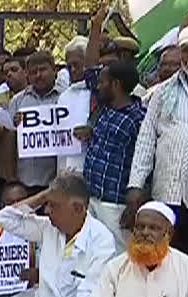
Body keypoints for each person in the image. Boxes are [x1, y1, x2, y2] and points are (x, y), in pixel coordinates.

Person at [127, 20, 188, 267]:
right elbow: (146, 139)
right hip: (167, 195)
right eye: (187, 50)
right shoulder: (163, 93)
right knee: (164, 264)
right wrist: (135, 185)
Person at [75, 61, 146, 254]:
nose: (97, 86)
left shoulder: (139, 119)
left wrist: (135, 200)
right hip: (92, 197)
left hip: (116, 203)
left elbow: (145, 161)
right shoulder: (105, 109)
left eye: (102, 82)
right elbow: (89, 70)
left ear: (115, 84)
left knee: (120, 255)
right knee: (93, 252)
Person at [5, 51, 63, 191]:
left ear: (54, 71)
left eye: (43, 70)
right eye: (33, 72)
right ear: (27, 75)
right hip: (25, 181)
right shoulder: (18, 101)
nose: (38, 75)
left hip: (57, 182)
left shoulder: (65, 98)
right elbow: (9, 139)